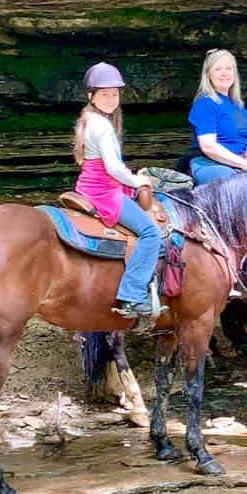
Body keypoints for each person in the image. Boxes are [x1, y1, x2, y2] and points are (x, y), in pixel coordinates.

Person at [73, 62, 165, 319]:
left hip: (90, 185)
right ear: (91, 95)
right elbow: (112, 167)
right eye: (105, 94)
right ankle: (132, 295)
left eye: (115, 94)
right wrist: (138, 181)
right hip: (104, 191)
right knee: (150, 233)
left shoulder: (88, 119)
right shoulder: (102, 126)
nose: (111, 99)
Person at [188, 49, 247, 184]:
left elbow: (240, 135)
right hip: (210, 164)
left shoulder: (236, 105)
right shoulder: (205, 103)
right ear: (208, 74)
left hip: (239, 162)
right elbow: (208, 146)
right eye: (218, 69)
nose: (225, 73)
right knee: (235, 184)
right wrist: (245, 164)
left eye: (229, 68)